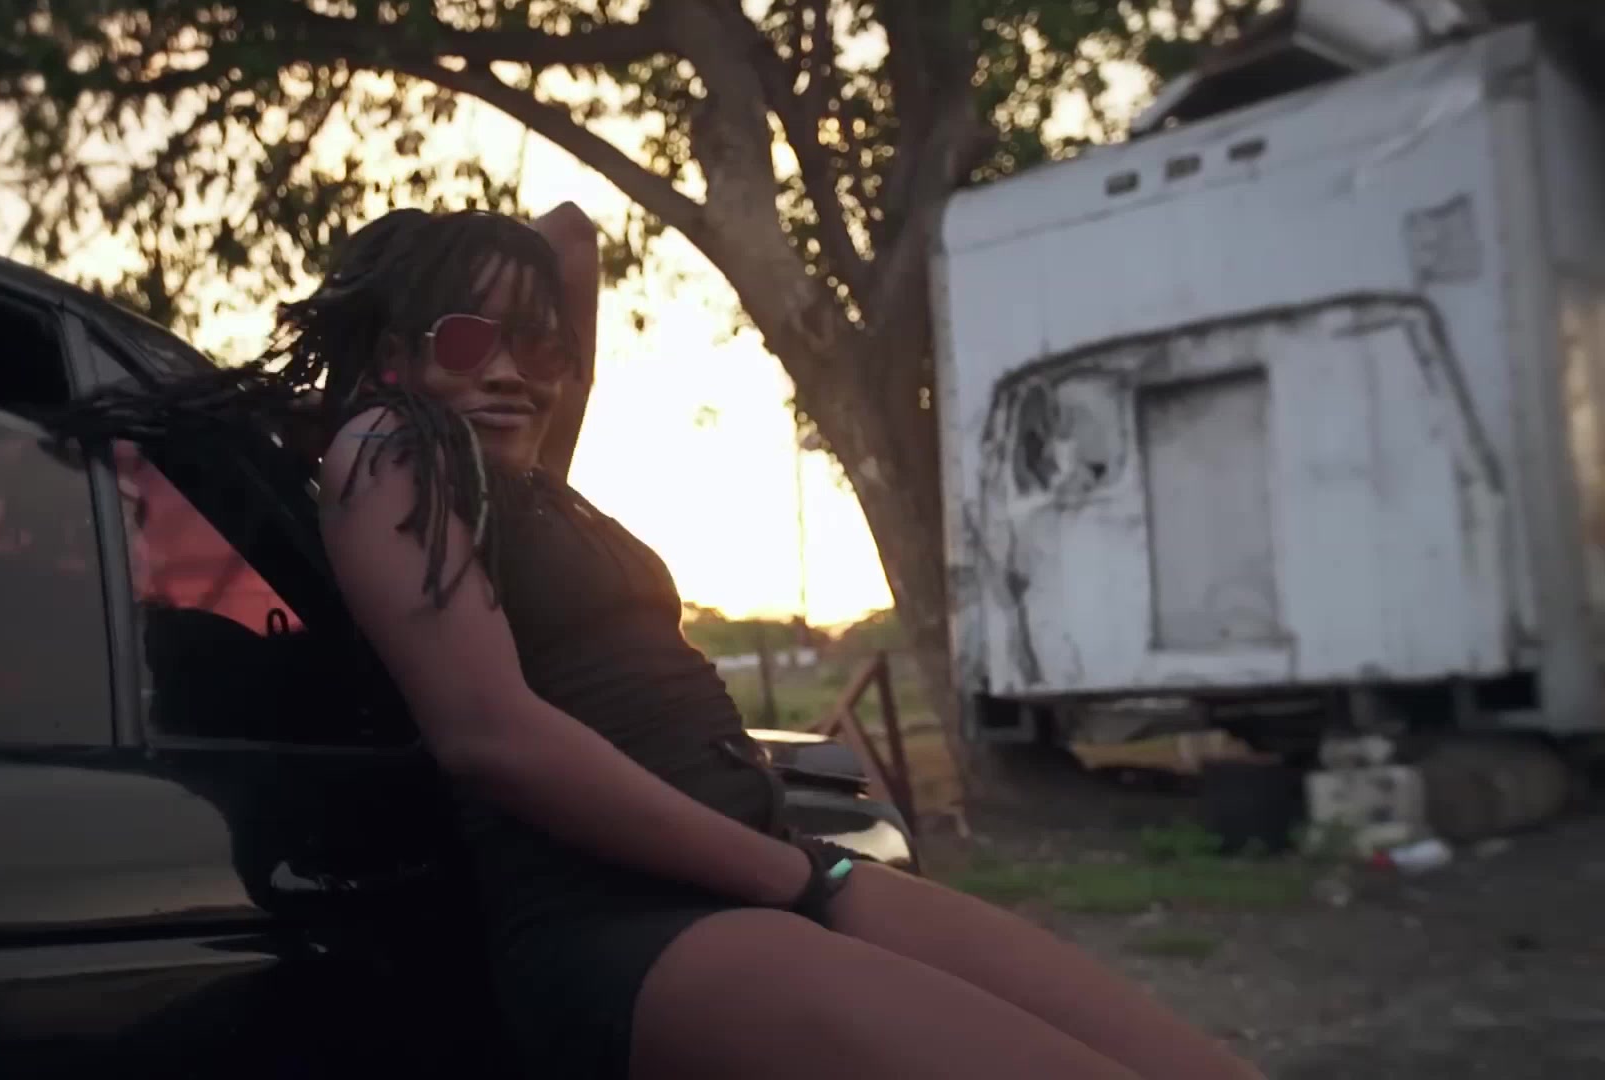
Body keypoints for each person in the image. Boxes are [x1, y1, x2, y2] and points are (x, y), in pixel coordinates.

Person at [67, 206, 1260, 1080]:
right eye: (471, 341)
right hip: (628, 921)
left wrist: (496, 298)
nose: (518, 375)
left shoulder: (523, 479)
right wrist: (783, 877)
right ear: (393, 355)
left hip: (762, 869)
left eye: (542, 348)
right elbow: (492, 737)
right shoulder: (391, 446)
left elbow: (572, 242)